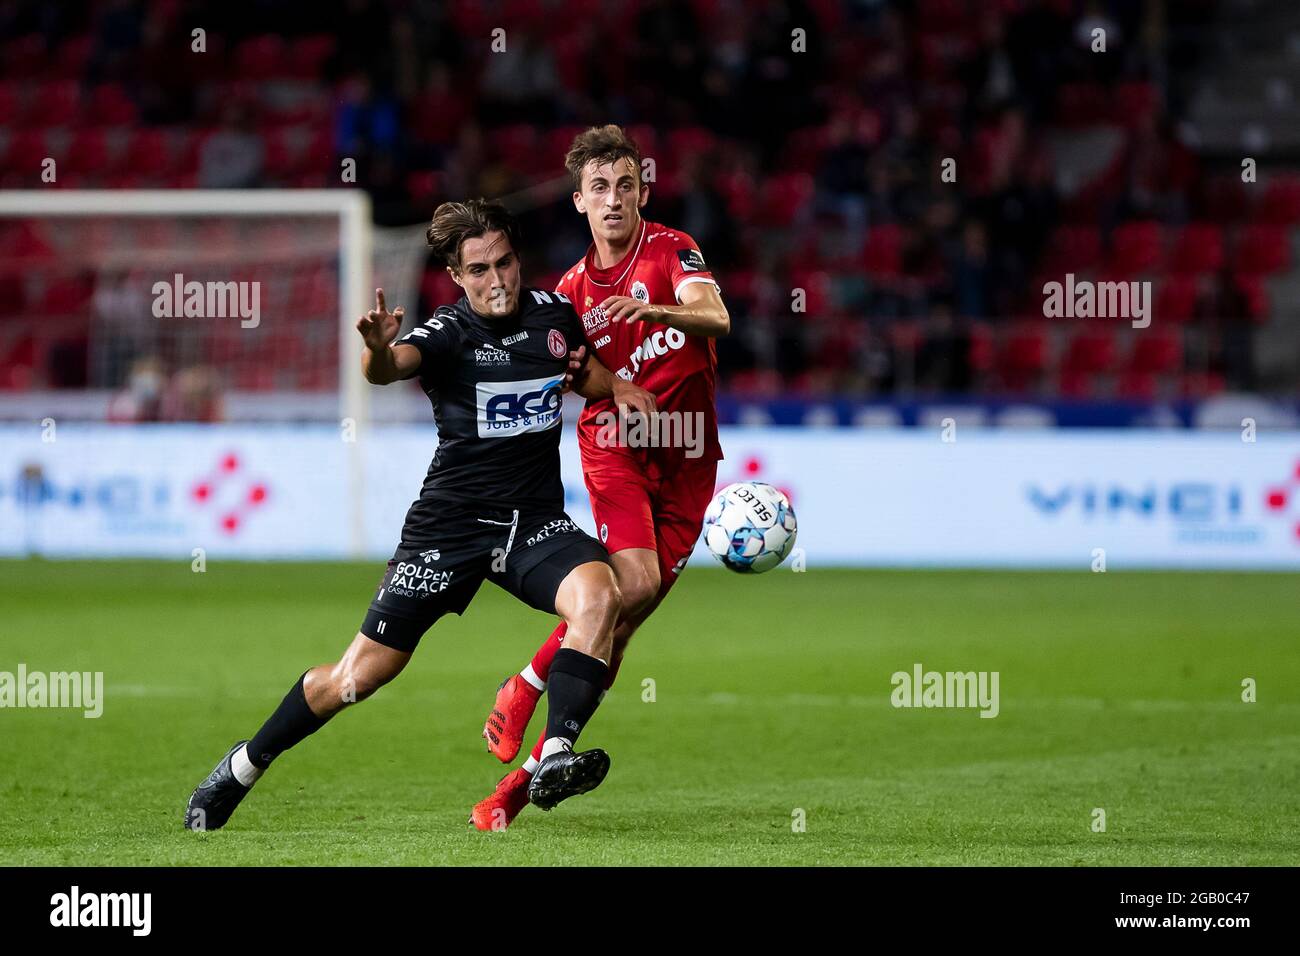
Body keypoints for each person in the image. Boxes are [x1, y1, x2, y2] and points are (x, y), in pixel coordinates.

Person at [184, 198, 655, 831]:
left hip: (532, 525)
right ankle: (244, 763)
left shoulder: (554, 316)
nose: (497, 281)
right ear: (458, 278)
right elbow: (388, 368)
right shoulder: (447, 334)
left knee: (602, 596)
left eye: (505, 263)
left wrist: (618, 386)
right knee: (358, 676)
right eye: (480, 271)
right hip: (450, 528)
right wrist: (376, 351)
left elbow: (584, 372)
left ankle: (554, 757)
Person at [473, 125, 729, 829]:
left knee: (617, 626)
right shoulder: (568, 293)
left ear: (643, 190)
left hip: (688, 455)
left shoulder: (673, 252)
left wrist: (658, 309)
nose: (613, 200)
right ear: (579, 202)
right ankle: (528, 696)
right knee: (632, 586)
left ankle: (519, 786)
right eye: (599, 189)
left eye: (625, 186)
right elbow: (563, 375)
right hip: (616, 445)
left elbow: (717, 316)